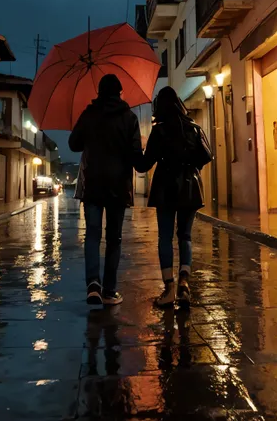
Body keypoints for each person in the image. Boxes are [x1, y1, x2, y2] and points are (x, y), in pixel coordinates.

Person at [69, 73, 142, 307]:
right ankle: (109, 291)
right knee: (114, 238)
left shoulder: (89, 114)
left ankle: (93, 285)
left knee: (92, 235)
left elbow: (73, 143)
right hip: (118, 186)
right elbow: (137, 159)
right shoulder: (129, 118)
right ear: (120, 93)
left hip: (92, 185)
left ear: (99, 92)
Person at [136, 86, 211, 309]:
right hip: (189, 187)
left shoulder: (159, 131)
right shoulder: (194, 128)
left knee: (165, 238)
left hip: (166, 188)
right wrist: (192, 168)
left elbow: (144, 164)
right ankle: (184, 285)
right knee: (185, 236)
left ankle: (169, 288)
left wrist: (134, 152)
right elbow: (207, 155)